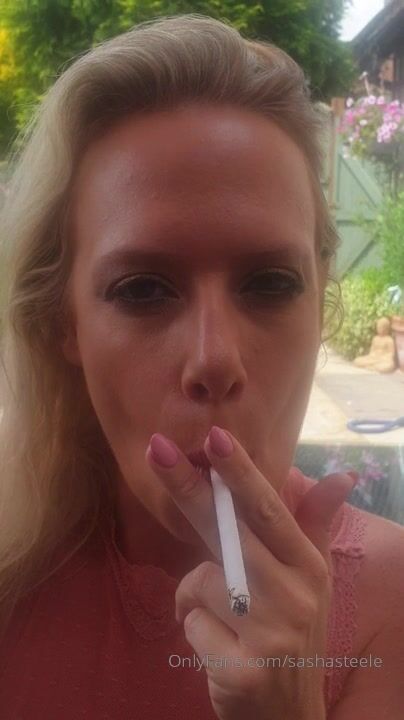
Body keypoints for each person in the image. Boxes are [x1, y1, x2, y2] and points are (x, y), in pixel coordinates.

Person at [0, 13, 403, 720]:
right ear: (65, 323)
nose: (214, 359)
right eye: (142, 290)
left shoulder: (390, 600)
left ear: (320, 305)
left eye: (270, 283)